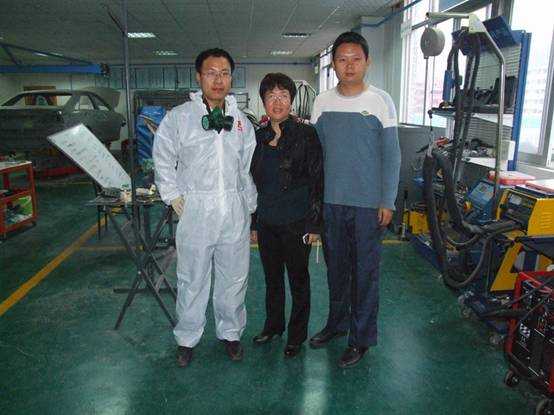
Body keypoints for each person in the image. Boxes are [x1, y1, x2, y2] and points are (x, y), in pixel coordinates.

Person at [153, 48, 257, 368]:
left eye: (224, 73)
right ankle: (187, 338)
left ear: (231, 78)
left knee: (234, 277)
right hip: (196, 211)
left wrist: (250, 206)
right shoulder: (180, 117)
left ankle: (231, 333)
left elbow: (247, 168)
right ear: (198, 77)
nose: (218, 80)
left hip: (234, 210)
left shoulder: (241, 121)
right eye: (211, 73)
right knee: (192, 277)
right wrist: (172, 195)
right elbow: (163, 157)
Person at [309, 32, 401, 368]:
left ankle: (360, 339)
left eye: (355, 59)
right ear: (333, 65)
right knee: (336, 271)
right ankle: (336, 324)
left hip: (368, 206)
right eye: (342, 59)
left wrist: (387, 200)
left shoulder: (381, 101)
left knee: (364, 275)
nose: (349, 66)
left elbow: (392, 156)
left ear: (367, 62)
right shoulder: (322, 103)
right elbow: (315, 157)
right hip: (331, 204)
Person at [250, 73, 323, 357]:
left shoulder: (306, 134)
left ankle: (296, 336)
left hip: (297, 222)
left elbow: (317, 180)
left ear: (291, 100)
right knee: (272, 279)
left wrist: (315, 223)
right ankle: (273, 326)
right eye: (271, 96)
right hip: (267, 221)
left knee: (298, 280)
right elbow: (252, 184)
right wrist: (254, 222)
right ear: (263, 102)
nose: (277, 102)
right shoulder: (258, 137)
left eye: (283, 95)